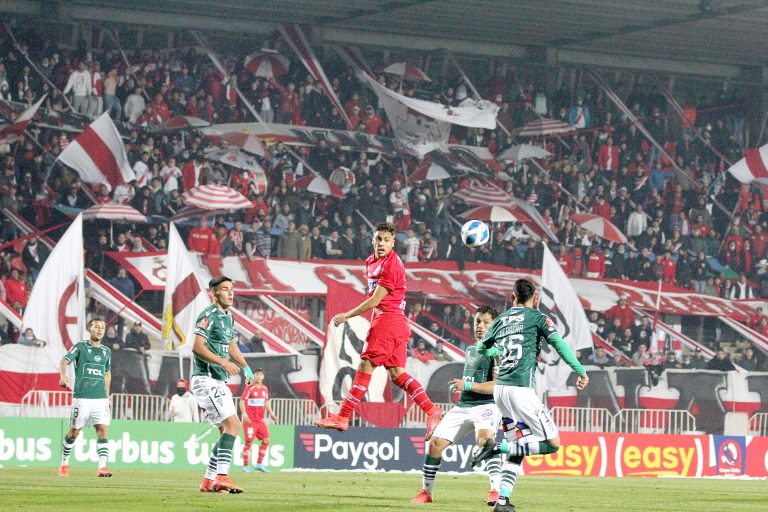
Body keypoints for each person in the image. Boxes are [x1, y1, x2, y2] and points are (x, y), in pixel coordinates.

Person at [315, 223, 445, 439]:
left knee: (365, 367)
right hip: (393, 322)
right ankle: (433, 411)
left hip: (389, 320)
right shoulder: (371, 261)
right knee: (397, 374)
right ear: (373, 241)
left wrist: (347, 315)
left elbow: (376, 299)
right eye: (378, 239)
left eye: (386, 240)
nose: (382, 243)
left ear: (393, 243)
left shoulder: (391, 265)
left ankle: (343, 416)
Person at [471, 278, 589, 512]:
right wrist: (580, 370)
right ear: (535, 299)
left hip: (501, 392)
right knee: (552, 444)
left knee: (520, 446)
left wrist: (499, 350)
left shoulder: (501, 319)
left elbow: (481, 348)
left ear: (512, 297)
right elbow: (560, 345)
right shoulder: (538, 318)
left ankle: (502, 501)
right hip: (521, 391)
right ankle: (495, 448)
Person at [411, 306, 503, 506]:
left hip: (487, 406)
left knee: (485, 442)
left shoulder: (498, 350)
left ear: (494, 324)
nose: (480, 326)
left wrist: (467, 385)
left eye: (486, 322)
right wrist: (464, 387)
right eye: (477, 321)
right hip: (463, 406)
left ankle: (496, 491)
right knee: (434, 445)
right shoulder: (471, 349)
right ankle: (426, 492)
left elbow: (497, 386)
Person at [192, 276, 253, 494]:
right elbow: (197, 347)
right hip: (205, 379)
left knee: (225, 430)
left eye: (232, 289)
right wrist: (224, 363)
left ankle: (208, 481)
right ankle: (222, 477)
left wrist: (245, 367)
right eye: (225, 289)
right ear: (214, 293)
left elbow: (231, 343)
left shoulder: (228, 317)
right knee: (234, 425)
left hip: (218, 380)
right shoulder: (208, 315)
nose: (231, 293)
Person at [58, 318, 113, 477]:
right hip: (82, 398)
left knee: (103, 430)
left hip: (100, 399)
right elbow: (64, 360)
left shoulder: (106, 351)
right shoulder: (81, 347)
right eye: (96, 327)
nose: (100, 330)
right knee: (74, 432)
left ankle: (102, 468)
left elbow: (107, 373)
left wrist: (107, 395)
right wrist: (63, 375)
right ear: (90, 329)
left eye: (102, 327)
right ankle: (64, 462)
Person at [240, 368, 278, 473]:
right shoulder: (249, 388)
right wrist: (244, 415)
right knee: (249, 442)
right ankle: (246, 466)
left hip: (260, 420)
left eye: (260, 374)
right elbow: (242, 402)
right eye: (256, 374)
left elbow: (266, 402)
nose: (258, 376)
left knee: (266, 440)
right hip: (250, 420)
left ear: (263, 377)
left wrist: (272, 414)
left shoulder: (264, 389)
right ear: (254, 376)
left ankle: (259, 464)